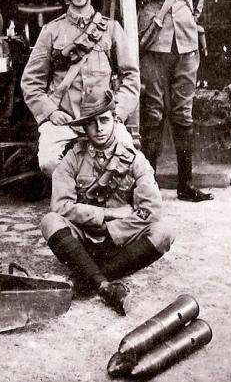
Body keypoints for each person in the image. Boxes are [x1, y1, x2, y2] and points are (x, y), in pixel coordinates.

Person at [40, 91, 173, 315]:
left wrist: (112, 230)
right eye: (92, 123)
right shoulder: (73, 157)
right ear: (84, 127)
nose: (99, 128)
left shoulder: (134, 160)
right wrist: (108, 214)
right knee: (50, 221)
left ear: (115, 120)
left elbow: (150, 210)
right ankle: (104, 285)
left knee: (164, 232)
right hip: (84, 238)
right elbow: (61, 206)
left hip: (121, 242)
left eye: (104, 120)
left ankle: (89, 276)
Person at [20, 0, 139, 176]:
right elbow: (30, 82)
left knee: (127, 158)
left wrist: (118, 114)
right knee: (48, 162)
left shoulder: (111, 30)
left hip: (103, 120)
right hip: (65, 121)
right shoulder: (51, 32)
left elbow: (131, 77)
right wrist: (50, 112)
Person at [130, 0, 213, 202]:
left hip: (186, 45)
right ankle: (149, 188)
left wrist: (188, 23)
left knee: (184, 113)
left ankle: (186, 185)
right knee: (152, 112)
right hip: (154, 44)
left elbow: (198, 1)